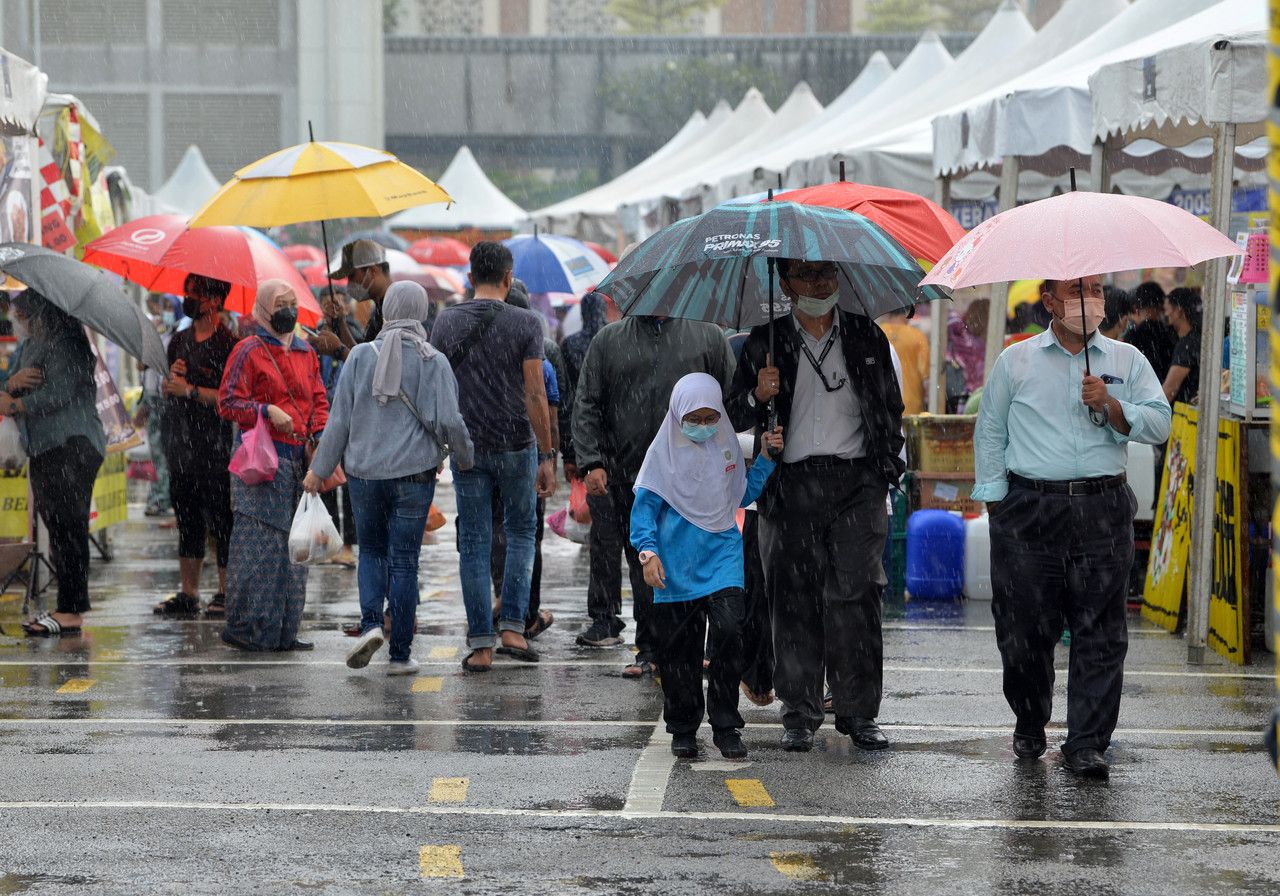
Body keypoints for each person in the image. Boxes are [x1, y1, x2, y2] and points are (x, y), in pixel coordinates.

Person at [974, 275, 1171, 780]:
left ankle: (1087, 742)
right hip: (1029, 510)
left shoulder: (1127, 361)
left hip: (1101, 507)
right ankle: (1030, 719)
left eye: (1097, 291)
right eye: (1078, 291)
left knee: (1101, 631)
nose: (1091, 302)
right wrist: (997, 501)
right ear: (1049, 302)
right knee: (1022, 631)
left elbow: (1159, 422)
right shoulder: (1015, 361)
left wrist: (1111, 405)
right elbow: (991, 431)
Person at [726, 258, 905, 753]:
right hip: (790, 483)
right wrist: (756, 395)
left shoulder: (867, 336)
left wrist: (885, 466)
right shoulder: (765, 341)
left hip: (857, 484)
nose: (819, 284)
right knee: (793, 598)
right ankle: (800, 713)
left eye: (827, 273)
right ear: (785, 284)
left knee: (859, 596)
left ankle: (858, 711)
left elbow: (891, 406)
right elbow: (733, 410)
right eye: (806, 276)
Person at [306, 282, 473, 675]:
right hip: (414, 477)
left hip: (364, 475)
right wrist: (465, 458)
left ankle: (369, 625)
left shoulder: (360, 357)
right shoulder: (434, 360)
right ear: (420, 312)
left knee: (373, 553)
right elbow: (450, 420)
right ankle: (400, 654)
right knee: (404, 561)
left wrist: (319, 471)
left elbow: (340, 421)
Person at [573, 306, 735, 674]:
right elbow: (587, 403)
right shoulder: (609, 341)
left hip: (696, 476)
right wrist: (591, 460)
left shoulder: (706, 334)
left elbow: (732, 397)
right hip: (628, 472)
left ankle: (695, 647)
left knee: (696, 558)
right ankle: (649, 648)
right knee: (643, 558)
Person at [630, 373, 783, 759]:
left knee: (731, 630)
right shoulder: (660, 454)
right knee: (679, 650)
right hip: (675, 564)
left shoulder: (726, 447)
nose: (702, 427)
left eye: (709, 418)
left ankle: (726, 724)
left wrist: (764, 457)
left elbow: (741, 494)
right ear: (677, 414)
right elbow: (644, 509)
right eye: (693, 419)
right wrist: (648, 554)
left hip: (722, 554)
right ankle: (682, 726)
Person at [430, 241, 556, 672]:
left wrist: (441, 443)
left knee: (474, 543)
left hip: (468, 448)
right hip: (517, 445)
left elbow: (437, 390)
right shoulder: (526, 322)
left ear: (469, 278)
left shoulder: (446, 322)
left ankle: (480, 643)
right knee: (521, 534)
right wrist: (547, 453)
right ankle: (514, 629)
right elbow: (536, 392)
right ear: (508, 278)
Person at [218, 279, 329, 652]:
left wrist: (319, 433)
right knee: (259, 547)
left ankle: (285, 630)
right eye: (280, 303)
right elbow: (228, 403)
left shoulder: (306, 352)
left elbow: (319, 400)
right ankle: (248, 629)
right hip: (262, 462)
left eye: (292, 302)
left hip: (299, 461)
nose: (289, 310)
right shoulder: (247, 350)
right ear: (265, 309)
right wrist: (265, 411)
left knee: (297, 547)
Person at [3, 290, 106, 637]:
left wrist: (17, 404)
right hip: (45, 448)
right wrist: (11, 385)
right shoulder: (31, 345)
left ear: (40, 313)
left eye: (22, 315)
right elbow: (10, 384)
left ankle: (72, 610)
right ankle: (66, 606)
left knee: (69, 525)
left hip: (72, 445)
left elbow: (59, 392)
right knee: (58, 526)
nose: (18, 322)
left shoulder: (68, 342)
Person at [152, 274, 238, 619]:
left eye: (195, 294)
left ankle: (225, 591)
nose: (188, 299)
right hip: (180, 444)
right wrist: (170, 382)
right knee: (186, 518)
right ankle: (189, 593)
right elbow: (168, 386)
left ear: (214, 301)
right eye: (186, 293)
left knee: (220, 519)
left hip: (214, 447)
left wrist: (190, 390)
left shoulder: (228, 345)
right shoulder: (179, 340)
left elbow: (231, 400)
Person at [488, 282, 562, 641]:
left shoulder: (489, 355)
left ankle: (502, 597)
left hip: (492, 452)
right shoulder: (542, 361)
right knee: (528, 537)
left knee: (495, 532)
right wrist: (551, 456)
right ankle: (526, 613)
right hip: (528, 455)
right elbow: (550, 414)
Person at [324, 239, 393, 348]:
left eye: (352, 276)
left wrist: (339, 350)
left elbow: (372, 363)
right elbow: (362, 355)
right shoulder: (380, 308)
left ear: (373, 270)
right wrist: (340, 321)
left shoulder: (395, 309)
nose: (349, 284)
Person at [878, 307, 929, 415]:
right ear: (907, 312)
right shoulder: (917, 336)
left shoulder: (876, 333)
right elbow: (926, 375)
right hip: (910, 406)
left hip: (883, 403)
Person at [1123, 281, 1176, 383]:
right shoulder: (1171, 332)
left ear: (1137, 307)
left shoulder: (1133, 335)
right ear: (1161, 305)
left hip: (1140, 391)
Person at [1162, 287, 1201, 406]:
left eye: (1168, 309)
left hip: (1185, 416)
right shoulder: (1199, 338)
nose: (1166, 313)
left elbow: (1169, 390)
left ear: (1179, 311)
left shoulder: (1187, 345)